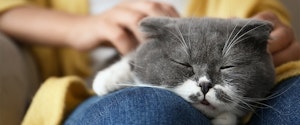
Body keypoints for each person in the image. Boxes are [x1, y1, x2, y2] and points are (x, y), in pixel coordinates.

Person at [0, 0, 299, 125]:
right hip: (109, 89)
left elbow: (266, 16)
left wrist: (270, 34)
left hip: (245, 98)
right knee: (146, 109)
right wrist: (77, 28)